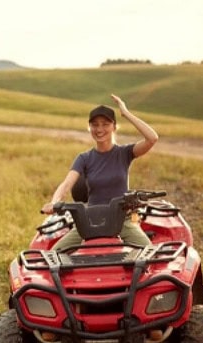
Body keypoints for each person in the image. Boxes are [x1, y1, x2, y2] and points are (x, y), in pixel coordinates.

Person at [42, 94, 159, 251]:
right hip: (90, 220)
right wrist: (55, 202)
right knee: (54, 255)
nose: (100, 129)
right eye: (95, 125)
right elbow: (67, 183)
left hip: (122, 220)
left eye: (105, 124)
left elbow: (152, 138)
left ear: (114, 127)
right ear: (90, 128)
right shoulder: (84, 158)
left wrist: (126, 113)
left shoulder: (124, 153)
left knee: (148, 253)